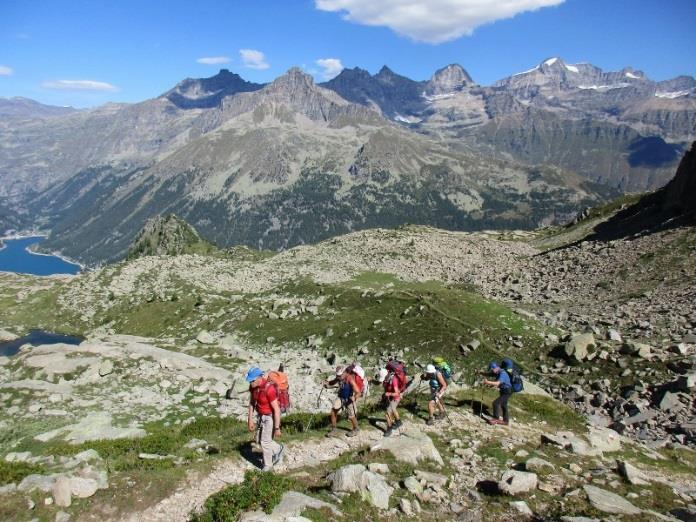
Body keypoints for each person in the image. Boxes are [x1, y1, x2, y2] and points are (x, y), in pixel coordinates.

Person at [246, 367, 284, 471]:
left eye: (252, 380)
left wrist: (277, 428)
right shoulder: (253, 387)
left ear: (259, 378)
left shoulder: (269, 389)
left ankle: (268, 465)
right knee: (259, 439)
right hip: (260, 416)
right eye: (250, 380)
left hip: (270, 417)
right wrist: (250, 420)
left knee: (265, 442)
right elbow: (252, 403)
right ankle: (278, 449)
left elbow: (276, 410)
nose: (250, 382)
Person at [324, 365, 360, 437]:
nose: (338, 377)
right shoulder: (339, 377)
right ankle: (334, 429)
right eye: (337, 375)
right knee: (333, 411)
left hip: (349, 399)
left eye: (340, 375)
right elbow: (332, 382)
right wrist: (327, 383)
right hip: (341, 397)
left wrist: (355, 397)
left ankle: (356, 429)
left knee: (351, 416)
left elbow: (358, 392)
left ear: (344, 373)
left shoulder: (350, 379)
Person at [483, 361, 512, 426]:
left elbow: (497, 383)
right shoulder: (499, 372)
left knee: (496, 403)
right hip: (504, 390)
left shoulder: (502, 373)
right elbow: (499, 383)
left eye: (492, 369)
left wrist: (487, 382)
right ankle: (505, 421)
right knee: (504, 405)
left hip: (507, 391)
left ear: (496, 368)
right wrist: (490, 385)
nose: (492, 371)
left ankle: (495, 419)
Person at [377, 367, 402, 436]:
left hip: (395, 397)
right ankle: (398, 422)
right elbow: (379, 383)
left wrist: (389, 393)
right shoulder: (387, 378)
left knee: (387, 413)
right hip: (391, 397)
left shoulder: (393, 380)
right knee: (392, 410)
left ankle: (389, 429)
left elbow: (397, 393)